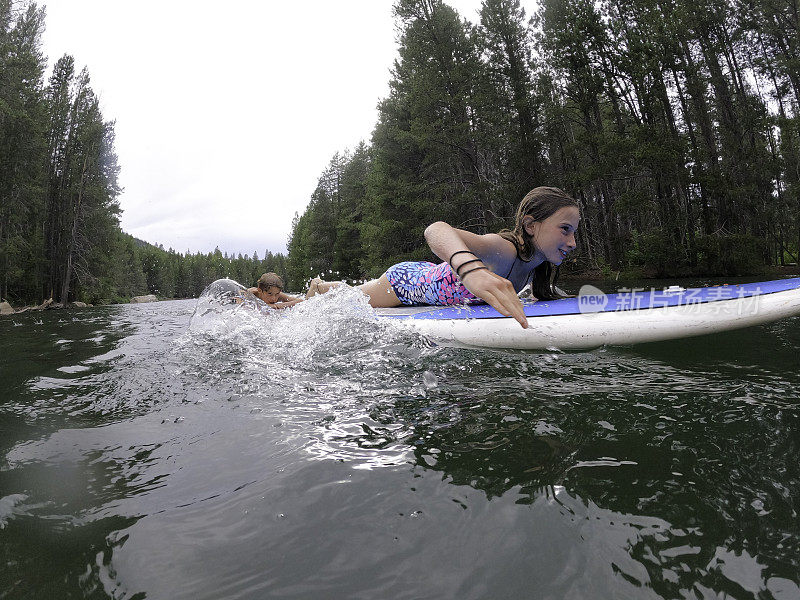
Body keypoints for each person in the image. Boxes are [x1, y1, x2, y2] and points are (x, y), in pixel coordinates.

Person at [306, 186, 580, 329]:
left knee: (354, 292)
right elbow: (436, 230)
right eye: (565, 229)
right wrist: (472, 270)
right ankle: (315, 290)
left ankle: (321, 287)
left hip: (432, 274)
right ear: (531, 226)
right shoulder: (503, 249)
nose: (572, 242)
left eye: (574, 232)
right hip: (405, 284)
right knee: (351, 297)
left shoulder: (536, 267)